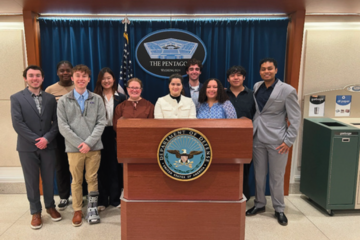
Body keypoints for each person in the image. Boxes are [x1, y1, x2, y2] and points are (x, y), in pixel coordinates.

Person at [246, 58, 301, 226]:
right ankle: (260, 204)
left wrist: (289, 141)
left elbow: (295, 118)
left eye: (270, 68)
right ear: (260, 71)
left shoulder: (287, 90)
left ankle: (279, 209)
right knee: (259, 175)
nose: (266, 71)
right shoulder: (256, 86)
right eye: (263, 69)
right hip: (257, 138)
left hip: (278, 140)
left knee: (276, 177)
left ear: (276, 70)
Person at [10, 65, 62, 229]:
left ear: (42, 78)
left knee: (48, 178)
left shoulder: (49, 98)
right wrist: (37, 140)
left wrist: (46, 138)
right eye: (31, 75)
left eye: (38, 75)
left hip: (48, 145)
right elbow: (18, 123)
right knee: (31, 181)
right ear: (25, 78)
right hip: (27, 147)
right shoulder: (16, 98)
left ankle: (50, 206)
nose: (35, 78)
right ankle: (35, 211)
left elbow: (56, 122)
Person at [57, 64, 106, 227]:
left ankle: (92, 208)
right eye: (77, 75)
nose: (81, 79)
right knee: (76, 180)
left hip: (94, 148)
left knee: (92, 178)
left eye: (84, 76)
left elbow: (101, 122)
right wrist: (80, 144)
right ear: (72, 78)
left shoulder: (97, 99)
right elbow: (62, 126)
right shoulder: (64, 101)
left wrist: (89, 143)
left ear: (89, 79)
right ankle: (77, 210)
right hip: (74, 149)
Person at [93, 67, 126, 211]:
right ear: (100, 80)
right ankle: (102, 200)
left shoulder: (121, 97)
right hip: (98, 134)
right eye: (104, 78)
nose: (106, 81)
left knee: (114, 167)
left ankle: (114, 198)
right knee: (100, 167)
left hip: (115, 133)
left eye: (109, 78)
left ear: (113, 80)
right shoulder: (93, 97)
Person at [45, 60, 74, 210]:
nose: (65, 73)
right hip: (58, 135)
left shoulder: (79, 88)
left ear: (72, 72)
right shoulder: (50, 90)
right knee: (61, 166)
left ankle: (79, 194)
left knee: (76, 165)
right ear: (57, 73)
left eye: (68, 70)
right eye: (62, 71)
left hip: (76, 134)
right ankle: (64, 196)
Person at [225, 66, 256, 201]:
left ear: (244, 78)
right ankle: (228, 197)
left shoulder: (252, 95)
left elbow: (258, 116)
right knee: (227, 169)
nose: (236, 78)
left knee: (245, 169)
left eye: (239, 75)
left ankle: (244, 199)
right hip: (226, 139)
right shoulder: (222, 95)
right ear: (228, 79)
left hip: (247, 139)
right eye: (233, 75)